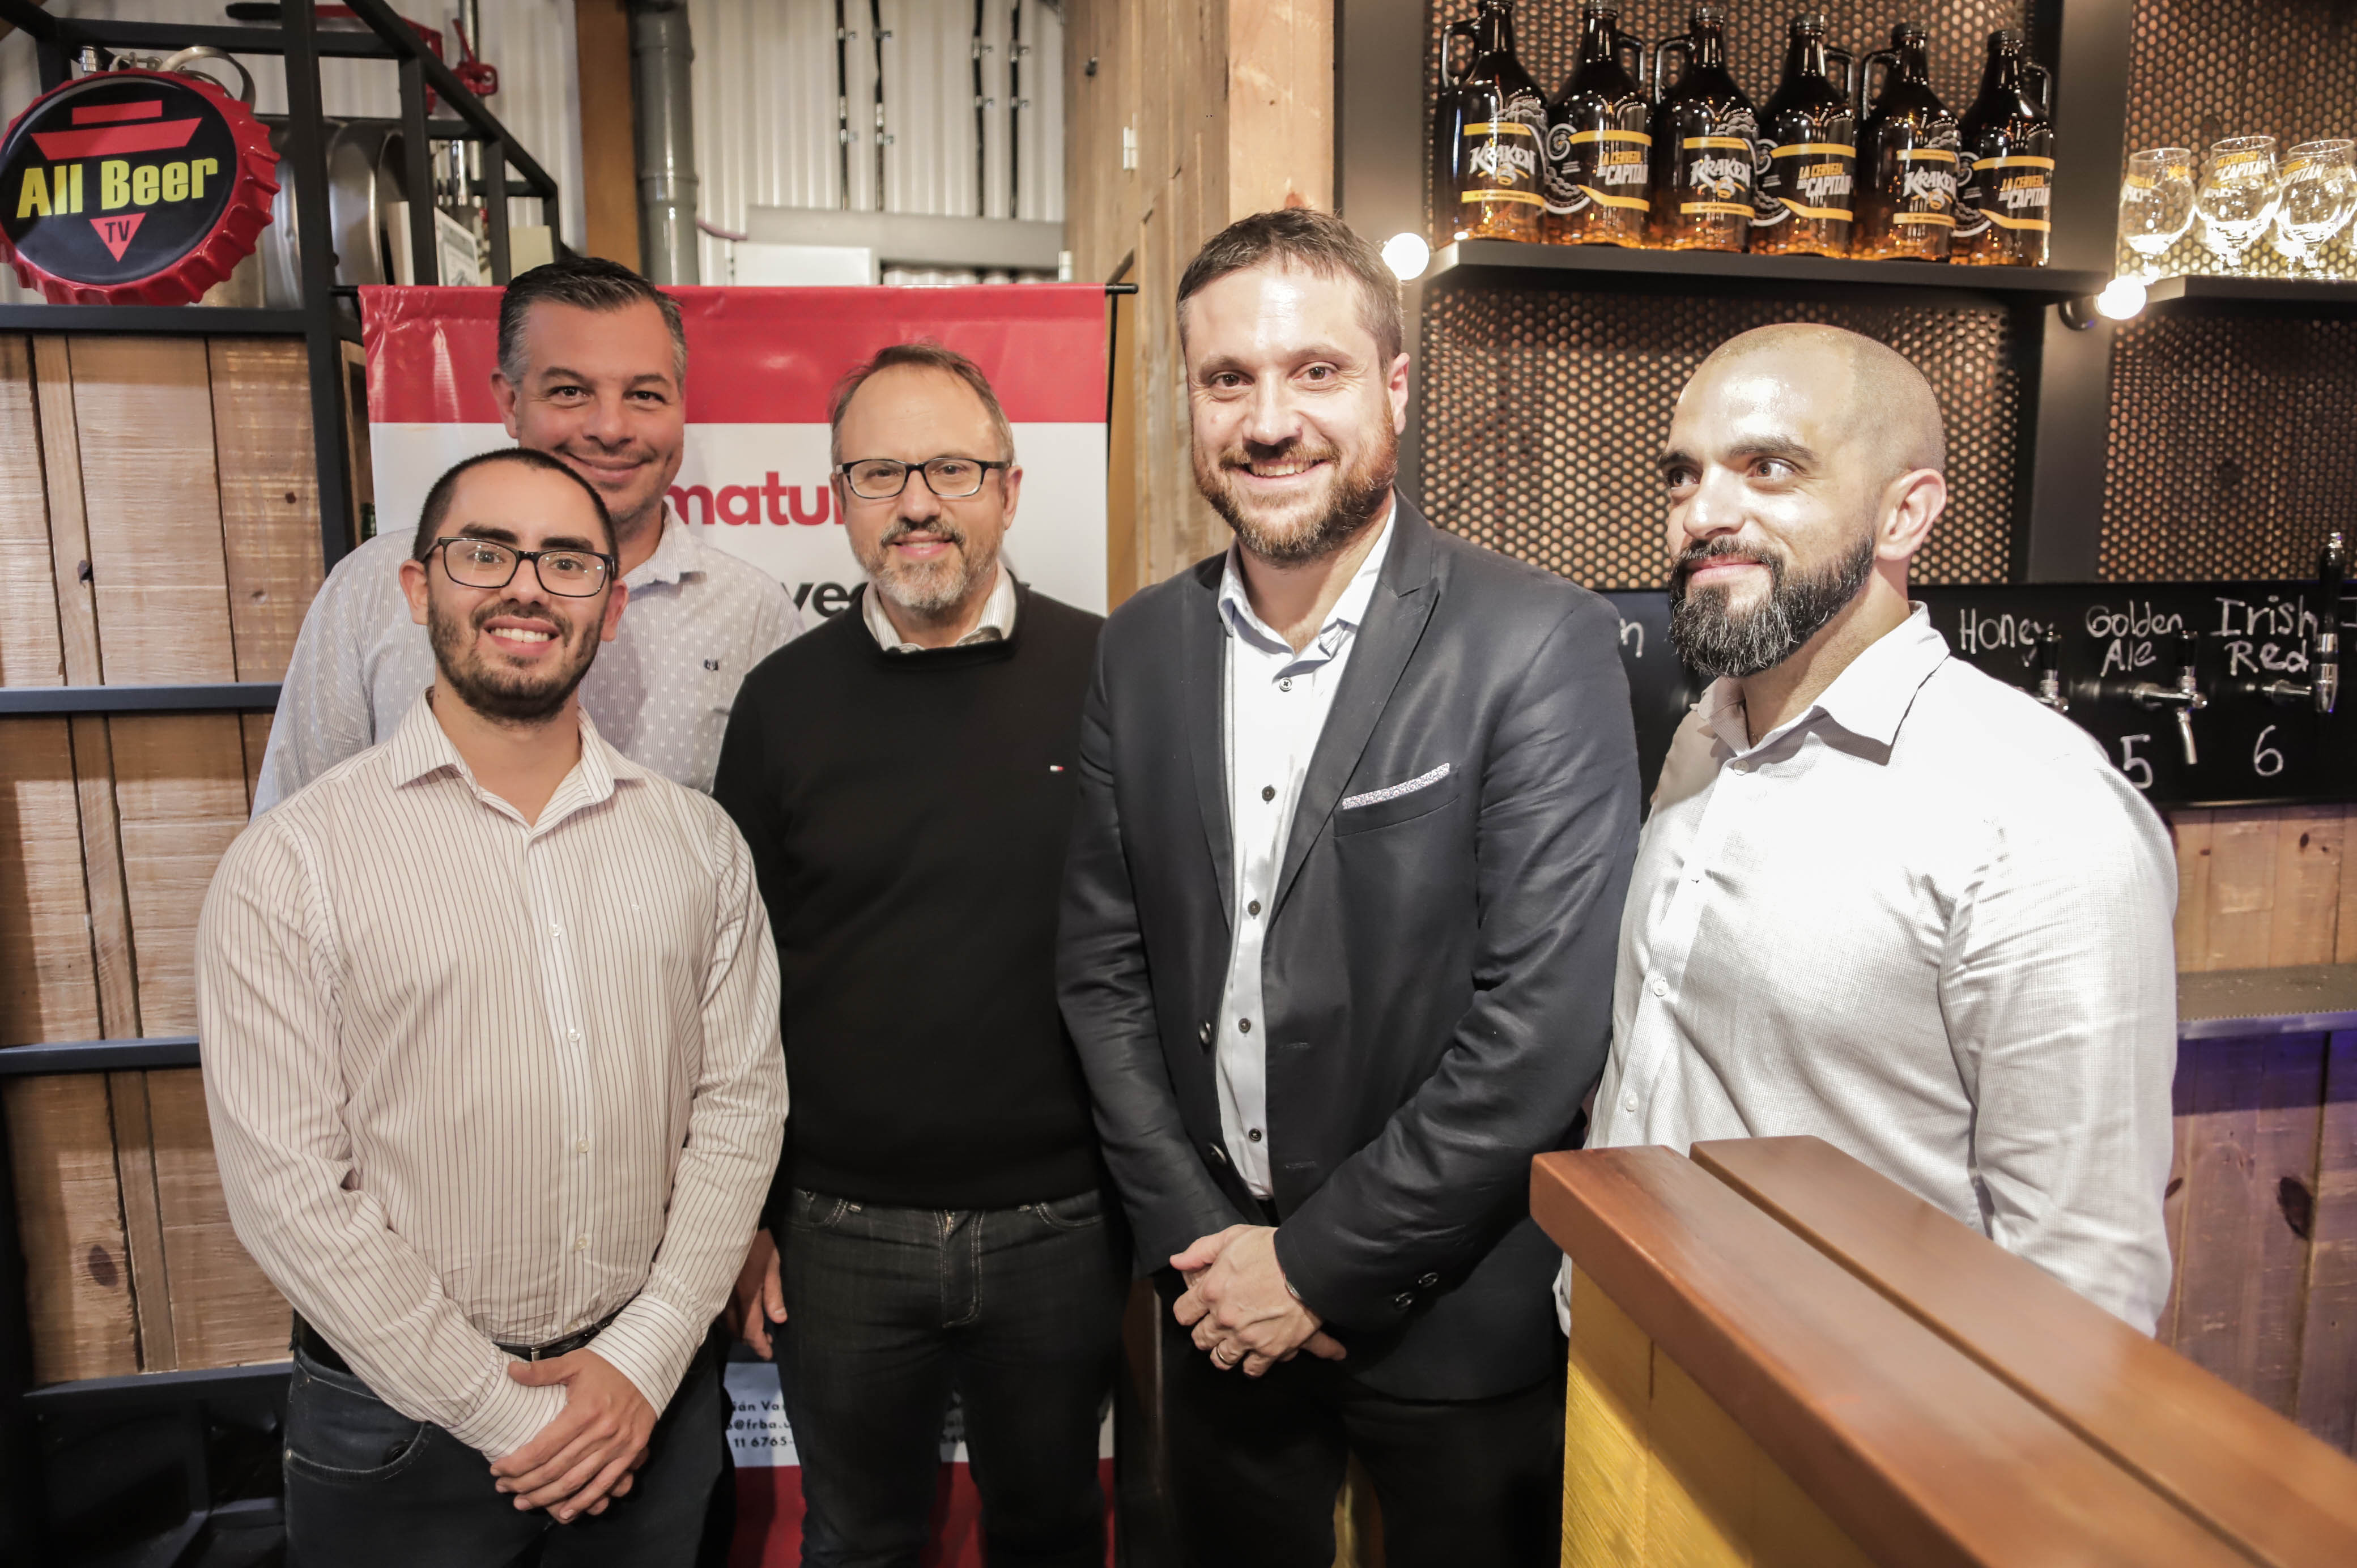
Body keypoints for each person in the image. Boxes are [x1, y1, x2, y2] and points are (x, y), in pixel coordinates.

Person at [1057, 208, 1642, 1568]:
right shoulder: (1139, 648)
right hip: (1213, 1307)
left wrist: (1312, 1267)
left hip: (1451, 1313)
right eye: (1228, 379)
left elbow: (1542, 1027)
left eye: (1314, 371)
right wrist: (1205, 1246)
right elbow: (1101, 969)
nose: (1268, 422)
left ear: (1393, 386)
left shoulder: (1534, 641)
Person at [197, 447, 788, 1567]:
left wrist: (647, 1357)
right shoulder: (293, 862)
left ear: (611, 606)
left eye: (566, 561)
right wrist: (502, 1409)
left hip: (648, 1407)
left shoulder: (698, 845)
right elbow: (286, 1189)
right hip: (398, 1423)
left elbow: (740, 1107)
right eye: (486, 553)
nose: (526, 587)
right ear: (418, 587)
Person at [1584, 322, 2176, 1330]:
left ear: (1905, 514)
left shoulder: (2040, 816)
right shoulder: (1708, 734)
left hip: (1831, 1410)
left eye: (1769, 468)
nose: (1702, 514)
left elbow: (2085, 1284)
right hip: (1617, 1352)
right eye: (1683, 476)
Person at [712, 343, 1121, 1567]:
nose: (917, 503)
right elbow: (732, 982)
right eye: (880, 473)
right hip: (837, 1234)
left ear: (1009, 488)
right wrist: (748, 1214)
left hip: (1065, 1222)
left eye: (951, 468)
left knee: (1054, 1532)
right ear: (838, 498)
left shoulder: (1114, 675)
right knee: (859, 1541)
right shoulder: (780, 702)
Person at [253, 256, 801, 812]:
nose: (611, 428)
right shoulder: (370, 588)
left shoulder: (753, 613)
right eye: (569, 391)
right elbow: (295, 827)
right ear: (510, 402)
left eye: (644, 395)